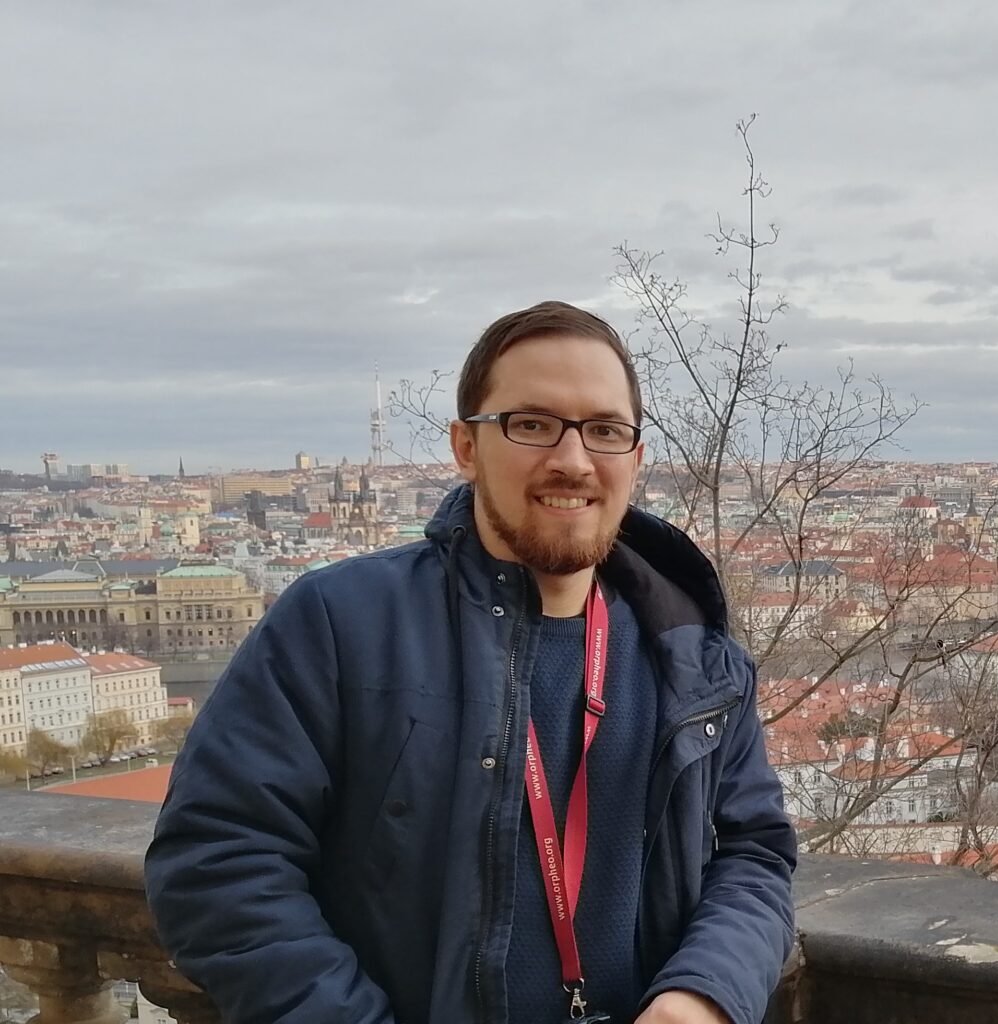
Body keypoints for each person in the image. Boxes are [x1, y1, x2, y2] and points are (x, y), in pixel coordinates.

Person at [145, 300, 796, 1024]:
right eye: (532, 424)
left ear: (635, 459)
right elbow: (220, 862)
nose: (572, 460)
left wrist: (702, 994)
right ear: (465, 446)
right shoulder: (338, 622)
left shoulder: (695, 655)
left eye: (604, 431)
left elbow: (755, 855)